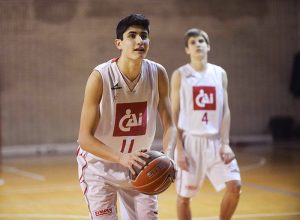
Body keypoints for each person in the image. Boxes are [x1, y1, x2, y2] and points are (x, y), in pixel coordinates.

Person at [76, 14, 176, 220]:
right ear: (119, 43)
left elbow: (170, 126)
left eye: (144, 36)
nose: (140, 41)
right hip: (100, 167)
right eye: (132, 35)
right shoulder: (100, 77)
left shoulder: (158, 73)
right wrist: (122, 158)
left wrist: (169, 155)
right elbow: (84, 139)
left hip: (140, 165)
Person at [170, 28, 241, 220]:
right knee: (184, 198)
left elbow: (225, 110)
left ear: (208, 45)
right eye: (192, 42)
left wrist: (225, 142)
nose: (197, 44)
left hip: (216, 142)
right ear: (187, 49)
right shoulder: (180, 75)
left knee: (235, 187)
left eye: (201, 41)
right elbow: (173, 113)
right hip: (190, 142)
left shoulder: (219, 73)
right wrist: (179, 148)